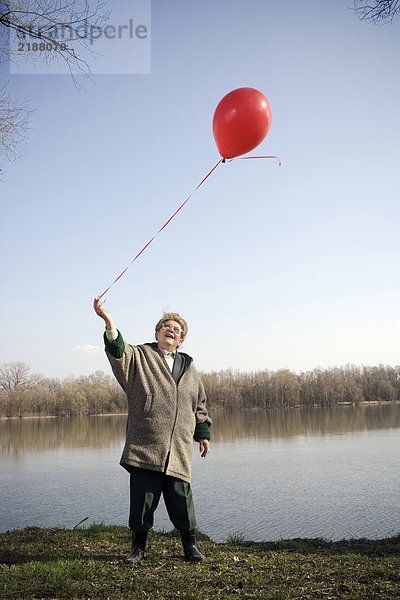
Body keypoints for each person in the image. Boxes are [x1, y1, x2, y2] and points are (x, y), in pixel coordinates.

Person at [93, 298, 212, 565]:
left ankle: (190, 546)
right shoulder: (141, 357)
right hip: (145, 444)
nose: (171, 331)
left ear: (181, 340)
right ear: (157, 333)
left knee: (182, 500)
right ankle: (138, 548)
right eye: (166, 327)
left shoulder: (190, 367)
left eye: (177, 330)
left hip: (178, 448)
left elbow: (199, 403)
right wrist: (109, 323)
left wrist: (202, 434)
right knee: (143, 501)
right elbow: (118, 350)